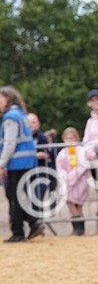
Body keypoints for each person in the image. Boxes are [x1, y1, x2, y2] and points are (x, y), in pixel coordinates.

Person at [0, 86, 43, 242]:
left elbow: (9, 143)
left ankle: (19, 232)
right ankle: (33, 222)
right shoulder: (20, 115)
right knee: (16, 196)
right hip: (27, 161)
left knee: (14, 198)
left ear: (8, 98)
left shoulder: (10, 117)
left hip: (16, 162)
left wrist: (2, 163)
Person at [55, 127, 90, 236]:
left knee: (78, 204)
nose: (70, 141)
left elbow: (83, 165)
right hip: (67, 183)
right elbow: (59, 167)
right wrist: (66, 176)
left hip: (80, 182)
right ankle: (77, 227)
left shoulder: (81, 151)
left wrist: (73, 175)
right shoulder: (62, 153)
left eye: (72, 138)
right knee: (70, 202)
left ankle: (79, 228)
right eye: (67, 138)